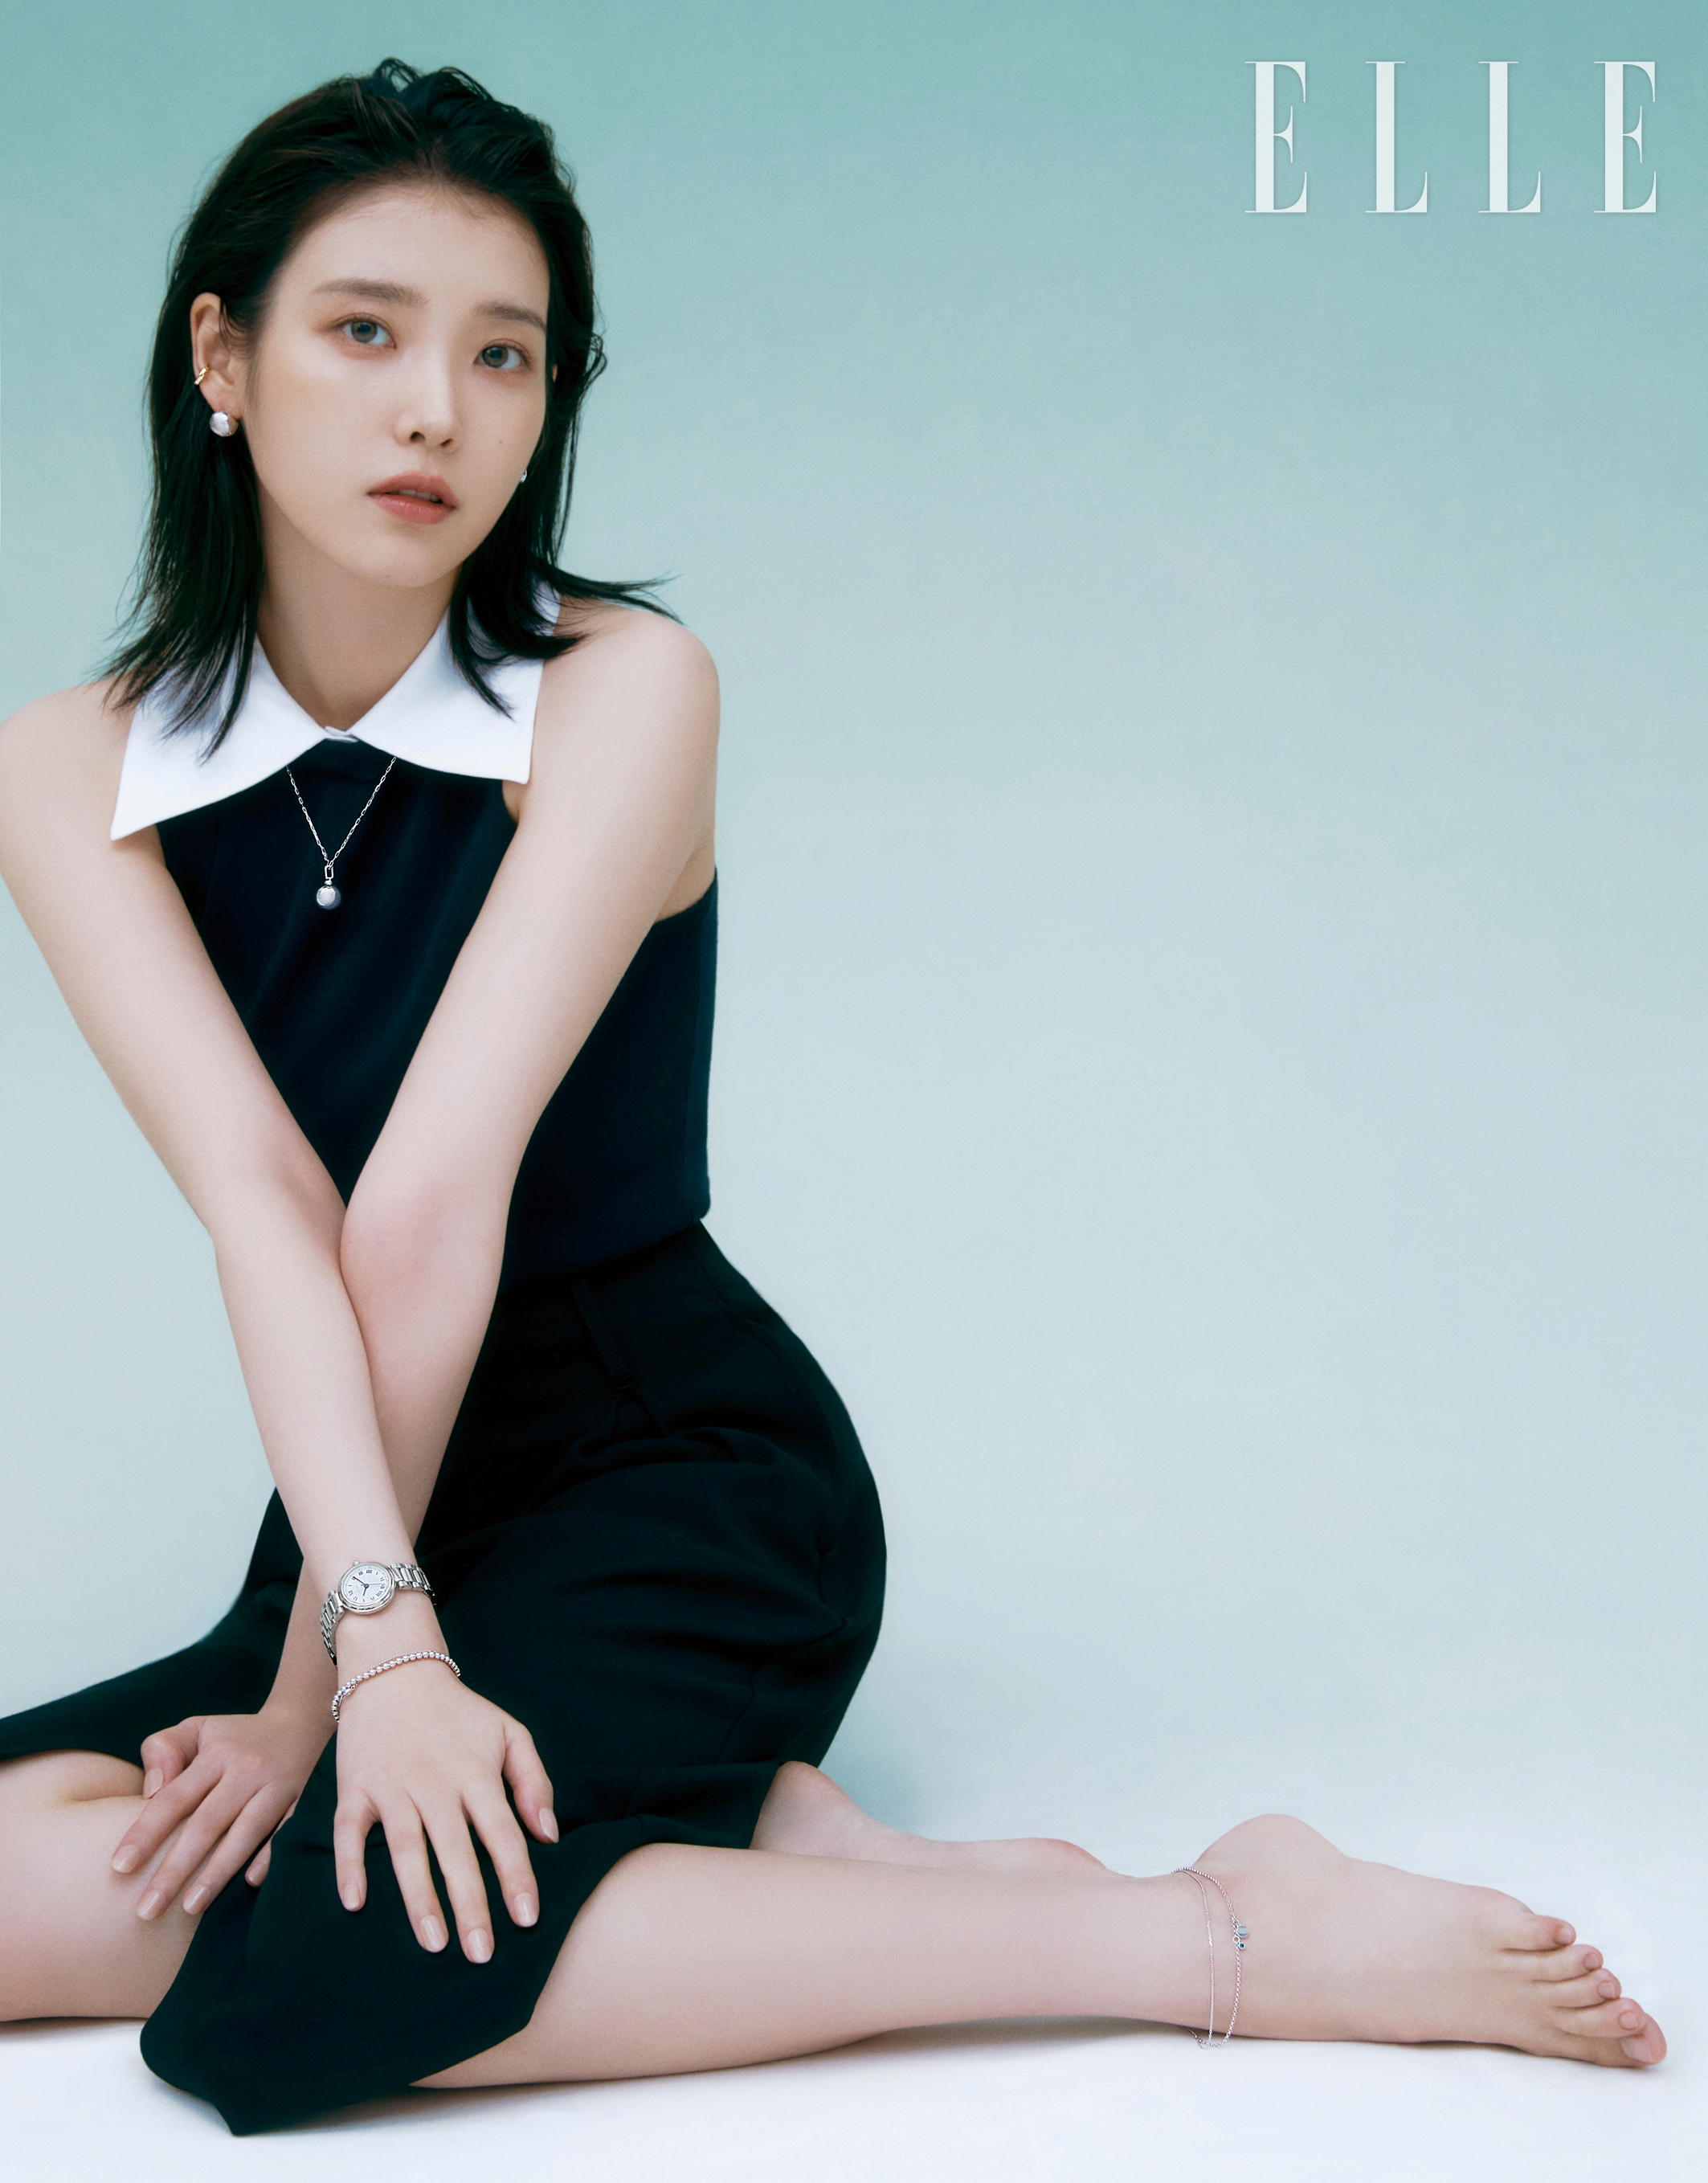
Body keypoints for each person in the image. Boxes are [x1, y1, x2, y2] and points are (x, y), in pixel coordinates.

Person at [0, 59, 1665, 2138]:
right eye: (365, 331)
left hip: (672, 1470)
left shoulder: (622, 692)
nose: (437, 409)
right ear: (222, 360)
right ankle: (762, 1856)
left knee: (298, 1989)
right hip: (373, 1499)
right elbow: (267, 1208)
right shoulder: (73, 766)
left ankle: (1218, 1930)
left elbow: (424, 1205)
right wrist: (332, 1664)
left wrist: (363, 1679)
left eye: (504, 354)